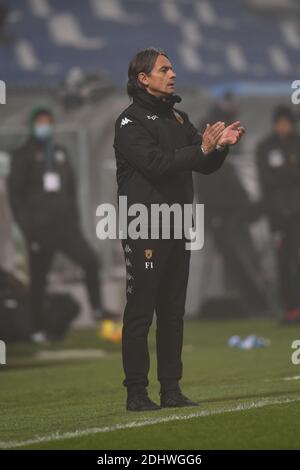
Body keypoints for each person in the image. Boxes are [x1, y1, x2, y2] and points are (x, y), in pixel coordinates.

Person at [113, 48, 245, 411]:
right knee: (141, 311)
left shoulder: (176, 117)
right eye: (164, 69)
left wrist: (218, 148)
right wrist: (201, 148)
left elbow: (201, 163)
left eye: (172, 68)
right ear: (144, 78)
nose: (172, 74)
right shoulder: (129, 122)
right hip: (144, 227)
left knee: (172, 312)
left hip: (177, 224)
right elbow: (156, 165)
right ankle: (136, 393)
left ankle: (171, 390)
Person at [8, 106, 112, 343]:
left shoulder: (59, 152)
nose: (45, 126)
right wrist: (27, 228)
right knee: (39, 279)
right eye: (41, 121)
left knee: (90, 260)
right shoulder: (22, 156)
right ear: (33, 125)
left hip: (65, 226)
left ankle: (97, 309)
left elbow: (72, 189)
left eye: (48, 121)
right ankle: (36, 328)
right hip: (39, 229)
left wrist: (74, 219)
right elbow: (16, 196)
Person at [256, 105, 300, 323]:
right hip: (277, 216)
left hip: (297, 214)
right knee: (283, 262)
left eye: (288, 122)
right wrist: (290, 170)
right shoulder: (265, 147)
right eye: (281, 122)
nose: (284, 127)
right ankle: (290, 309)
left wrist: (283, 171)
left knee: (297, 259)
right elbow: (266, 179)